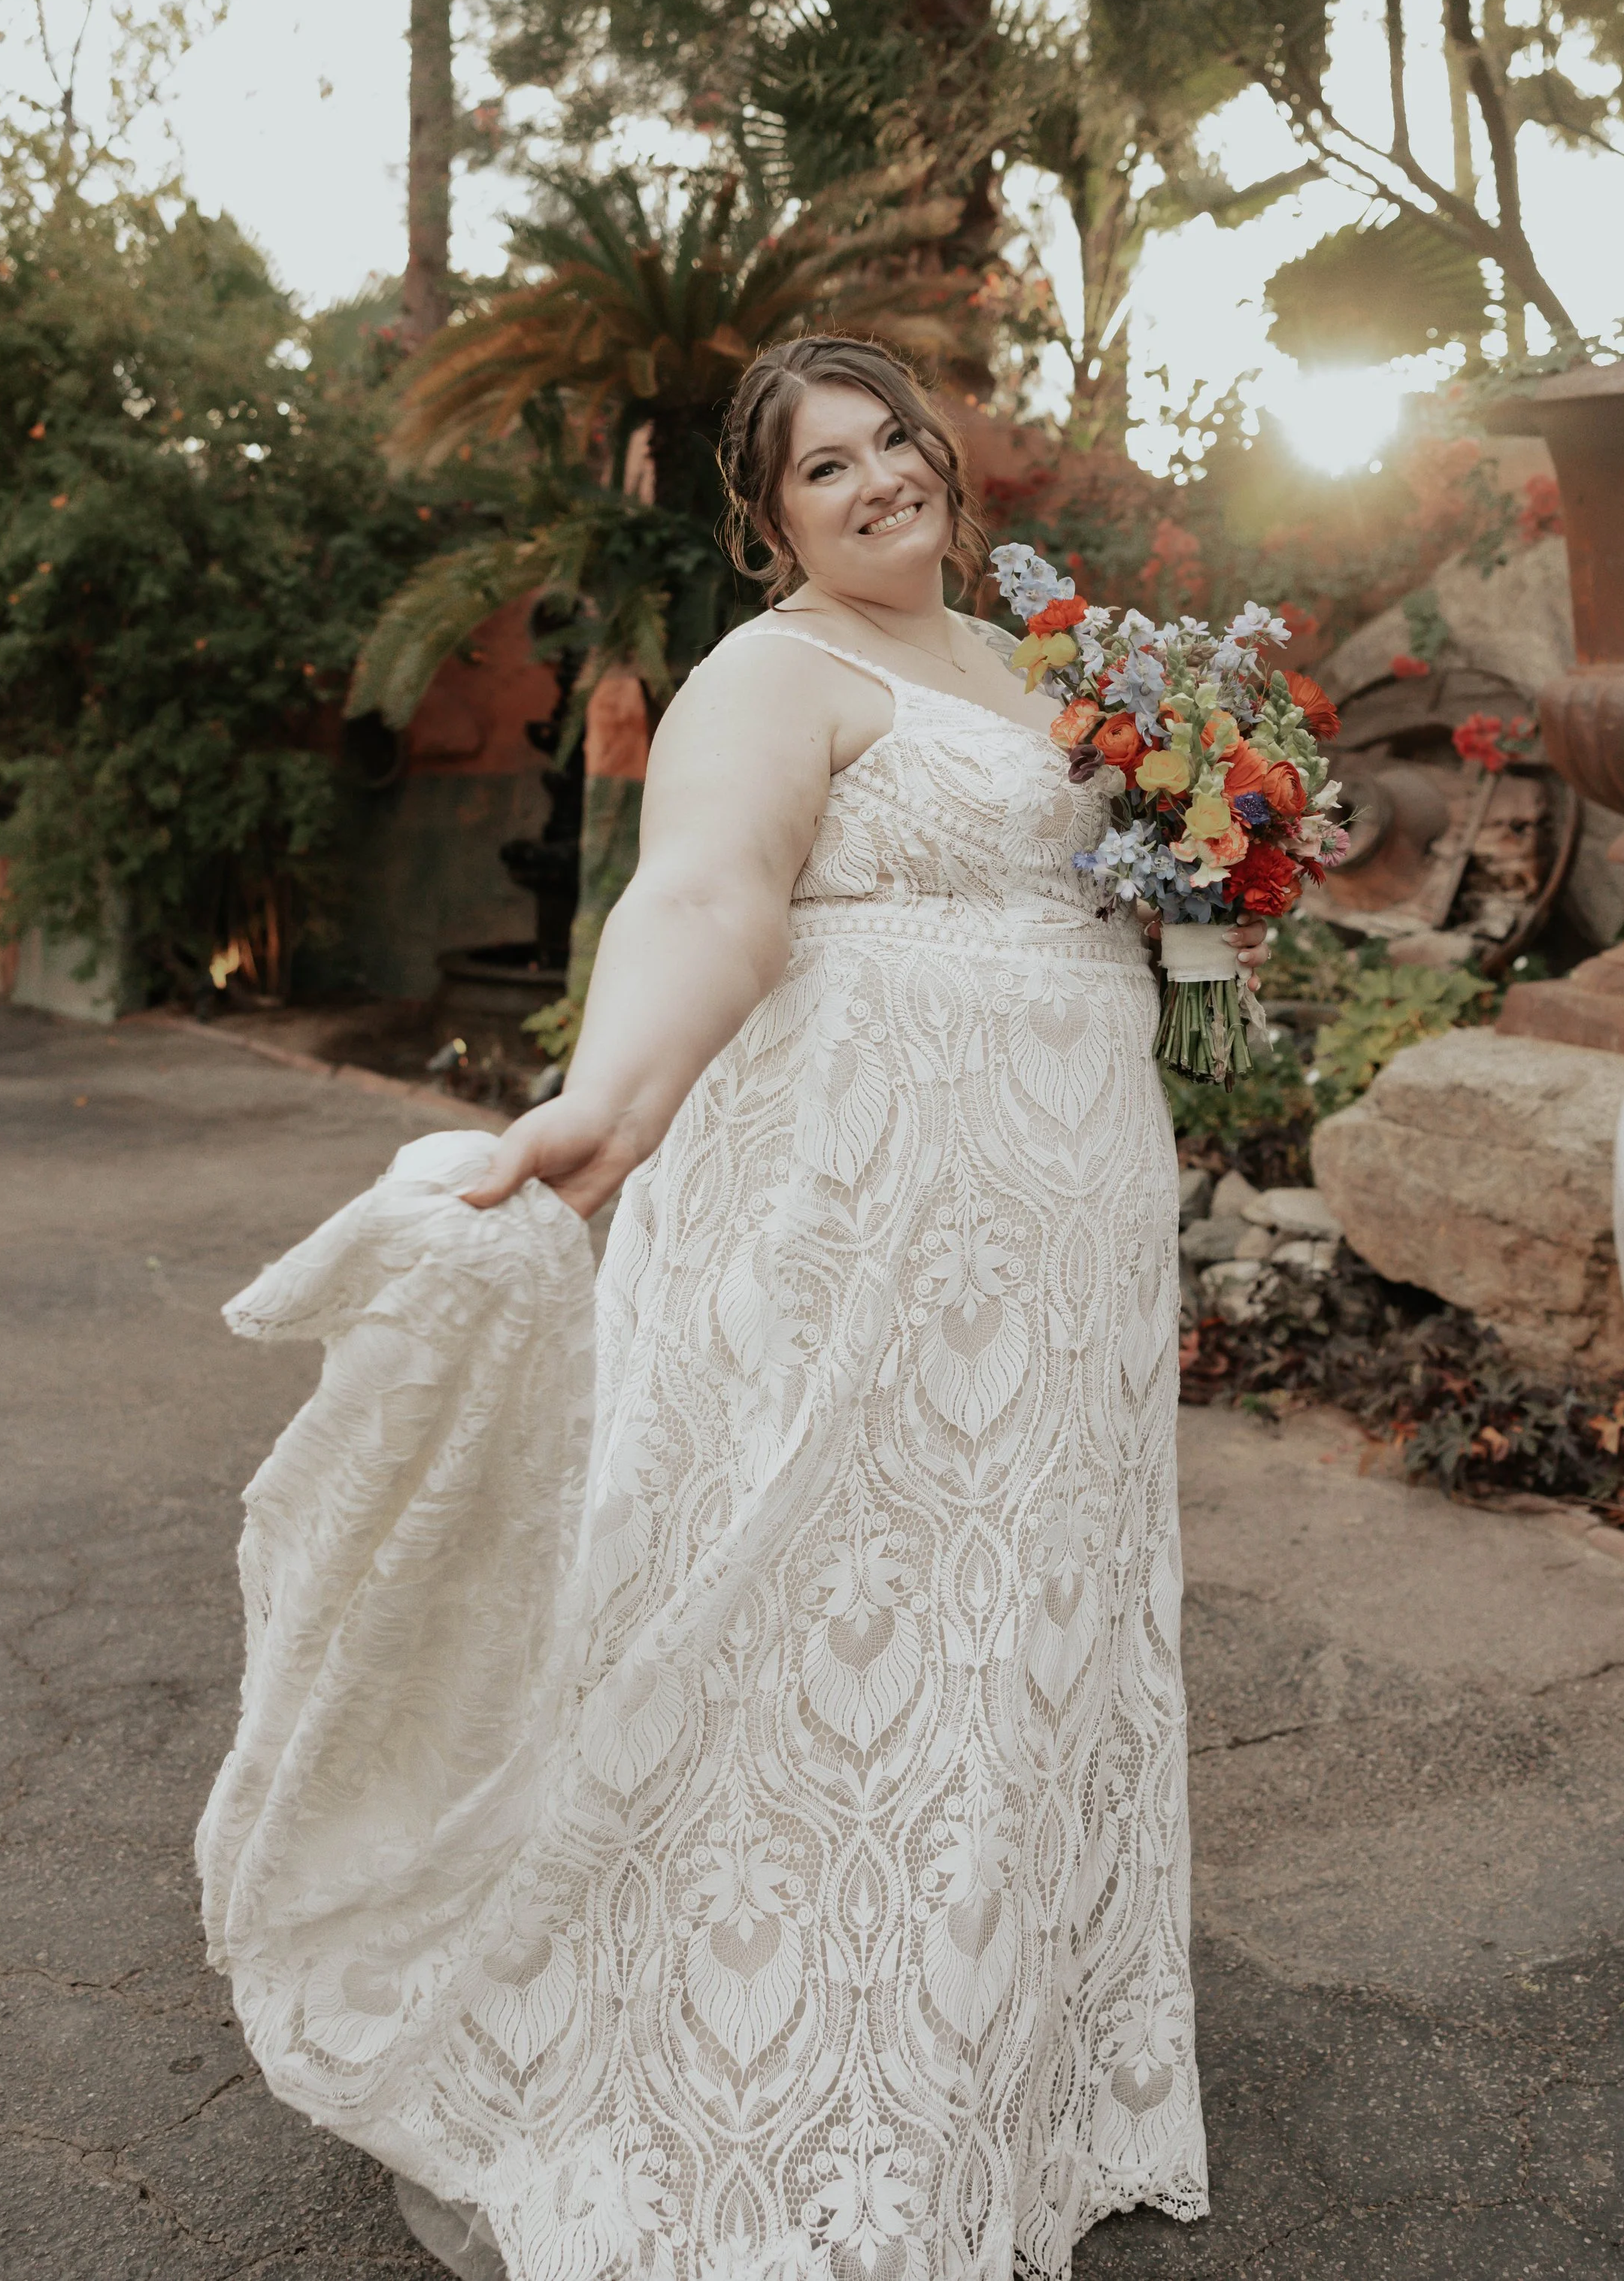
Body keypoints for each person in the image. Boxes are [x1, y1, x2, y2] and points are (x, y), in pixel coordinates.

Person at [203, 335, 1263, 2281]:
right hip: (853, 1212)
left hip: (1060, 1225)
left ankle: (995, 2060)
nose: (877, 480)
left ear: (944, 458)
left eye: (894, 440)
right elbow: (706, 898)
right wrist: (612, 1102)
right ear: (769, 522)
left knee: (1022, 1600)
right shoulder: (775, 674)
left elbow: (1115, 880)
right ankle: (746, 2044)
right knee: (813, 1592)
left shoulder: (1040, 668)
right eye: (823, 467)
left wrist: (1211, 897)